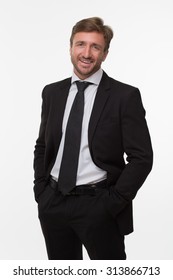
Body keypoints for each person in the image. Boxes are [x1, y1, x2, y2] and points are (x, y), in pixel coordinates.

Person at [33, 17, 153, 260]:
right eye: (81, 44)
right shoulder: (52, 92)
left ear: (105, 53)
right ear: (71, 48)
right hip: (53, 203)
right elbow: (43, 145)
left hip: (99, 205)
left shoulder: (124, 96)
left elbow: (142, 158)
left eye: (95, 47)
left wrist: (113, 202)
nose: (86, 53)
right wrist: (41, 190)